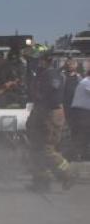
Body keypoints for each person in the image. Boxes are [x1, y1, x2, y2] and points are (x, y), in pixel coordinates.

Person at [25, 51, 75, 192]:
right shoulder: (40, 75)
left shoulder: (52, 75)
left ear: (45, 60)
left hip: (50, 114)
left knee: (46, 149)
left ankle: (69, 174)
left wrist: (42, 107)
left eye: (36, 60)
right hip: (40, 112)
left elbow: (51, 97)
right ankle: (41, 182)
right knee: (35, 148)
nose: (34, 63)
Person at [70, 68, 90, 161]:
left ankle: (83, 154)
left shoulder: (85, 81)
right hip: (81, 112)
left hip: (82, 112)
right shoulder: (86, 82)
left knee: (84, 133)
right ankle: (76, 155)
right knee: (82, 133)